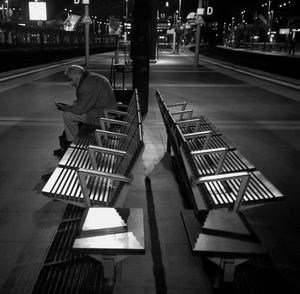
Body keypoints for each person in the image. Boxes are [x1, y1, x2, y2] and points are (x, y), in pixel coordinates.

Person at [54, 64, 117, 158]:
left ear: (77, 76)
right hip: (103, 111)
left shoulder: (87, 84)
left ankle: (73, 145)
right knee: (71, 113)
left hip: (102, 117)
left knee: (68, 115)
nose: (70, 84)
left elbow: (79, 110)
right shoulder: (91, 78)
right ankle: (70, 143)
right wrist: (70, 104)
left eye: (70, 79)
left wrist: (63, 107)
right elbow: (84, 101)